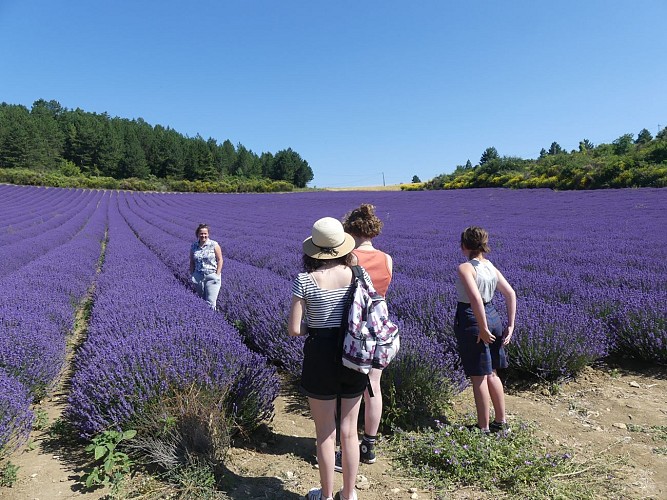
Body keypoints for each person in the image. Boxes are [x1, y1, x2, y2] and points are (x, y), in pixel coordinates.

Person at [289, 217, 370, 500]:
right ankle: (348, 495)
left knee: (325, 432)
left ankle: (325, 495)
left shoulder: (305, 280)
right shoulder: (359, 274)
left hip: (320, 356)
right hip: (354, 353)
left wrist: (319, 326)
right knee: (350, 432)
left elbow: (295, 328)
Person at [342, 204, 393, 464]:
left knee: (349, 389)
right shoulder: (387, 259)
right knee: (374, 386)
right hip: (379, 329)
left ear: (351, 229)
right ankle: (369, 445)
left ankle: (346, 446)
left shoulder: (349, 258)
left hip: (354, 332)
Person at [454, 226, 516, 433]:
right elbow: (510, 294)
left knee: (478, 376)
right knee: (492, 373)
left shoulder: (465, 268)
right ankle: (501, 422)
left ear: (464, 245)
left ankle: (483, 428)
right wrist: (510, 325)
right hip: (494, 316)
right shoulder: (490, 266)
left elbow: (474, 299)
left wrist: (481, 327)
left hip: (473, 319)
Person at [189, 223, 223, 310]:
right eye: (201, 233)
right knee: (202, 300)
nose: (203, 235)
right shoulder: (194, 246)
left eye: (205, 233)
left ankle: (212, 321)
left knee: (211, 302)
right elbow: (192, 261)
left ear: (208, 234)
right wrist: (192, 274)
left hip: (211, 276)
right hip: (198, 277)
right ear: (198, 234)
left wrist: (217, 274)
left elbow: (220, 260)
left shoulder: (214, 245)